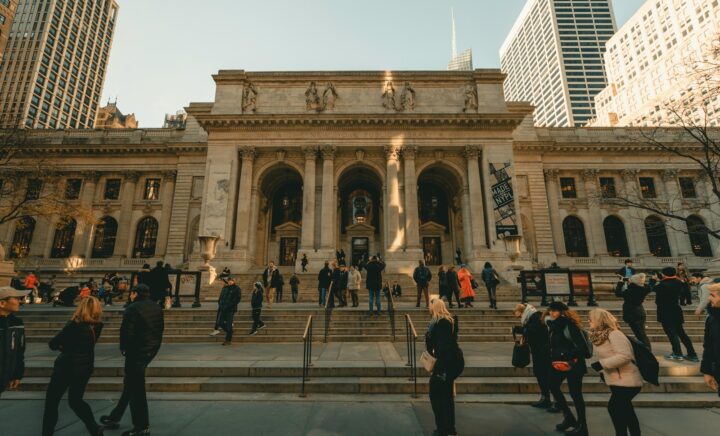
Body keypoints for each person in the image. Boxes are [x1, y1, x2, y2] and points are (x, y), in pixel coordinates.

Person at [100, 284, 164, 436]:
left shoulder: (133, 308)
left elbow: (126, 332)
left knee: (136, 390)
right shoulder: (156, 307)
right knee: (131, 383)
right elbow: (160, 329)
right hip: (151, 349)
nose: (130, 295)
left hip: (136, 352)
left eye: (131, 293)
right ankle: (115, 416)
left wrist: (124, 348)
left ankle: (142, 427)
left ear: (135, 293)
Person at [42, 297, 105, 436]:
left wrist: (64, 346)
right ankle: (93, 427)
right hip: (85, 367)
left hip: (66, 367)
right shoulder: (98, 325)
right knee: (76, 401)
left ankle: (46, 433)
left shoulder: (73, 325)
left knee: (52, 402)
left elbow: (53, 343)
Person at [588, 308, 643, 436]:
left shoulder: (614, 334)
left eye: (591, 318)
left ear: (600, 320)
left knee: (614, 408)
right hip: (616, 379)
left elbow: (625, 356)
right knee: (626, 410)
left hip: (627, 380)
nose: (589, 320)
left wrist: (601, 364)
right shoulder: (599, 335)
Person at [546, 301, 591, 436]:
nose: (552, 313)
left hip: (574, 365)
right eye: (551, 310)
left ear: (562, 312)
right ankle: (569, 417)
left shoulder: (570, 326)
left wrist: (565, 356)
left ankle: (583, 427)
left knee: (576, 394)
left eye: (555, 310)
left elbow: (582, 349)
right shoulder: (553, 326)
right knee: (552, 385)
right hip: (559, 364)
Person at [425, 298, 463, 436]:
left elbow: (443, 347)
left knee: (436, 395)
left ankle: (443, 428)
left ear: (434, 307)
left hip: (446, 363)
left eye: (430, 305)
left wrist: (440, 369)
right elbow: (433, 347)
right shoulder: (445, 321)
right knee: (446, 396)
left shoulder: (442, 323)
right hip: (452, 362)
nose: (428, 308)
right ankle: (449, 428)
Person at [513, 303, 554, 409]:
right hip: (539, 351)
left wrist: (520, 330)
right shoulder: (532, 317)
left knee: (543, 374)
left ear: (522, 311)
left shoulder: (535, 317)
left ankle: (547, 399)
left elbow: (534, 332)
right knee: (541, 374)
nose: (518, 317)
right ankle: (546, 397)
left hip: (542, 352)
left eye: (517, 314)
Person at [655, 266, 698, 362]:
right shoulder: (680, 282)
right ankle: (692, 354)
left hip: (665, 311)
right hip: (676, 310)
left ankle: (677, 353)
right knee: (681, 333)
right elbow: (686, 294)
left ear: (664, 274)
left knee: (671, 333)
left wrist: (655, 280)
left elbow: (656, 295)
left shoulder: (661, 285)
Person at [0, 286, 30, 398]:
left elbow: (19, 351)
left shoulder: (17, 323)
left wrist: (17, 374)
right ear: (2, 303)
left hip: (4, 377)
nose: (19, 301)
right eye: (16, 298)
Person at [622, 273, 653, 350]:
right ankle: (647, 349)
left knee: (640, 335)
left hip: (633, 314)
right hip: (640, 312)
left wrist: (620, 283)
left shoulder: (630, 291)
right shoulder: (645, 288)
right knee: (641, 333)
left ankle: (647, 350)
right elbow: (647, 286)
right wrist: (639, 281)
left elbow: (618, 293)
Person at [209, 278, 241, 345]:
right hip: (222, 308)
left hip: (230, 309)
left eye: (231, 280)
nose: (230, 281)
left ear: (234, 281)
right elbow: (221, 297)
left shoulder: (236, 288)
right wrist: (220, 304)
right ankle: (230, 332)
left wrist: (229, 306)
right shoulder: (225, 288)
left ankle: (228, 340)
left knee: (229, 324)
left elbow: (237, 299)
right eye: (229, 280)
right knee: (220, 322)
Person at [701, 286, 720, 396]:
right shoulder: (711, 318)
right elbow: (708, 346)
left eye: (713, 295)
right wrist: (707, 371)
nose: (709, 298)